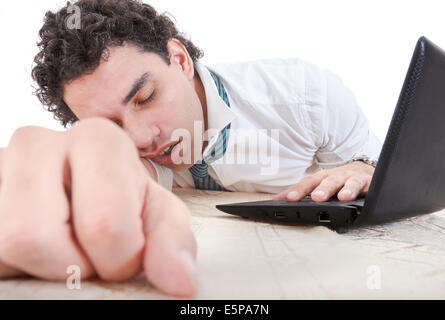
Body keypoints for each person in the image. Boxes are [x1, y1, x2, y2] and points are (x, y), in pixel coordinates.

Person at [0, 0, 381, 297]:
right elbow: (115, 173)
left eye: (146, 97)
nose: (140, 139)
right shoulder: (127, 150)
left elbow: (381, 169)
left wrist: (366, 170)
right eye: (108, 125)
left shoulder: (304, 97)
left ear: (179, 61)